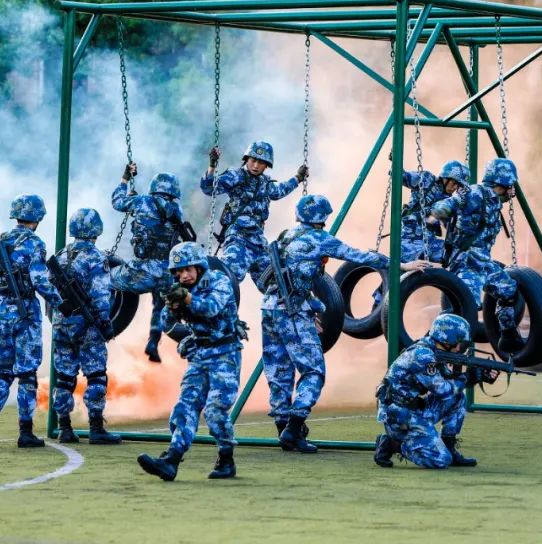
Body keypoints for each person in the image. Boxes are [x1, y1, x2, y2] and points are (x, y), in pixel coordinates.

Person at [262, 194, 433, 453]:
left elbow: (286, 277)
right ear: (323, 217)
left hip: (269, 309)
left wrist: (312, 308)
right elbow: (360, 256)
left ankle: (283, 427)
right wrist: (402, 265)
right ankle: (293, 429)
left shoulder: (286, 236)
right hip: (292, 311)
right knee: (313, 371)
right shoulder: (320, 239)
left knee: (279, 368)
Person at [136, 242, 243, 482]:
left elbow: (211, 308)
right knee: (185, 406)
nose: (184, 275)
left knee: (215, 410)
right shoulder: (180, 289)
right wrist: (172, 307)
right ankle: (171, 460)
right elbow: (166, 322)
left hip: (224, 354)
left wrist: (186, 299)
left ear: (199, 267)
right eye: (179, 271)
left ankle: (226, 458)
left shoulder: (219, 281)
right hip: (199, 355)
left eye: (188, 269)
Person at [0, 194, 63, 448]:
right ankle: (25, 432)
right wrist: (60, 303)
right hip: (26, 314)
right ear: (38, 217)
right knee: (27, 374)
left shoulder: (0, 242)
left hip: (3, 313)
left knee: (3, 371)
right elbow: (40, 281)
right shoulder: (35, 243)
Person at [429, 158, 522, 354]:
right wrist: (443, 211)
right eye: (511, 185)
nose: (512, 191)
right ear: (503, 182)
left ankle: (508, 335)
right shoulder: (474, 193)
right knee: (466, 307)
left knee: (509, 290)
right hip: (465, 261)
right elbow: (444, 207)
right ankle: (436, 344)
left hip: (483, 262)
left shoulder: (495, 201)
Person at [374, 313, 484, 469]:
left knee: (458, 397)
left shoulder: (434, 350)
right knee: (441, 460)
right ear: (448, 339)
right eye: (458, 342)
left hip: (414, 408)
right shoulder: (423, 355)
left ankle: (449, 447)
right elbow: (443, 390)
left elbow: (449, 381)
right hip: (399, 416)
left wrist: (480, 375)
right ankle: (392, 444)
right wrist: (467, 378)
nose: (460, 348)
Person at [50, 208, 121, 445]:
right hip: (87, 326)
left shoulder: (60, 256)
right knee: (96, 375)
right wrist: (105, 324)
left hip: (61, 324)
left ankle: (64, 427)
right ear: (96, 230)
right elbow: (101, 295)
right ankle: (96, 428)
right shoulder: (95, 257)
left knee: (64, 377)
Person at [111, 164, 193, 363]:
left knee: (104, 278)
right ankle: (153, 342)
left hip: (142, 270)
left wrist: (124, 179)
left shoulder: (141, 201)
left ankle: (99, 316)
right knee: (161, 306)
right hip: (168, 273)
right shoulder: (176, 209)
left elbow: (117, 202)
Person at [200, 141, 305, 289]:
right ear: (247, 159)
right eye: (253, 160)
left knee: (278, 285)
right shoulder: (236, 176)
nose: (256, 166)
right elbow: (208, 188)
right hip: (238, 238)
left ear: (266, 165)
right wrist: (212, 165)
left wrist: (298, 178)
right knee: (227, 280)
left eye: (261, 163)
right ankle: (204, 297)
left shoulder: (265, 183)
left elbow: (279, 191)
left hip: (258, 243)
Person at [396, 160, 471, 264]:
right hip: (409, 240)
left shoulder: (450, 201)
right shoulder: (427, 180)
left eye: (458, 186)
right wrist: (396, 163)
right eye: (454, 183)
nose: (455, 188)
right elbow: (402, 177)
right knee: (420, 267)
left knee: (461, 255)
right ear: (445, 178)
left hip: (429, 241)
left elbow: (450, 226)